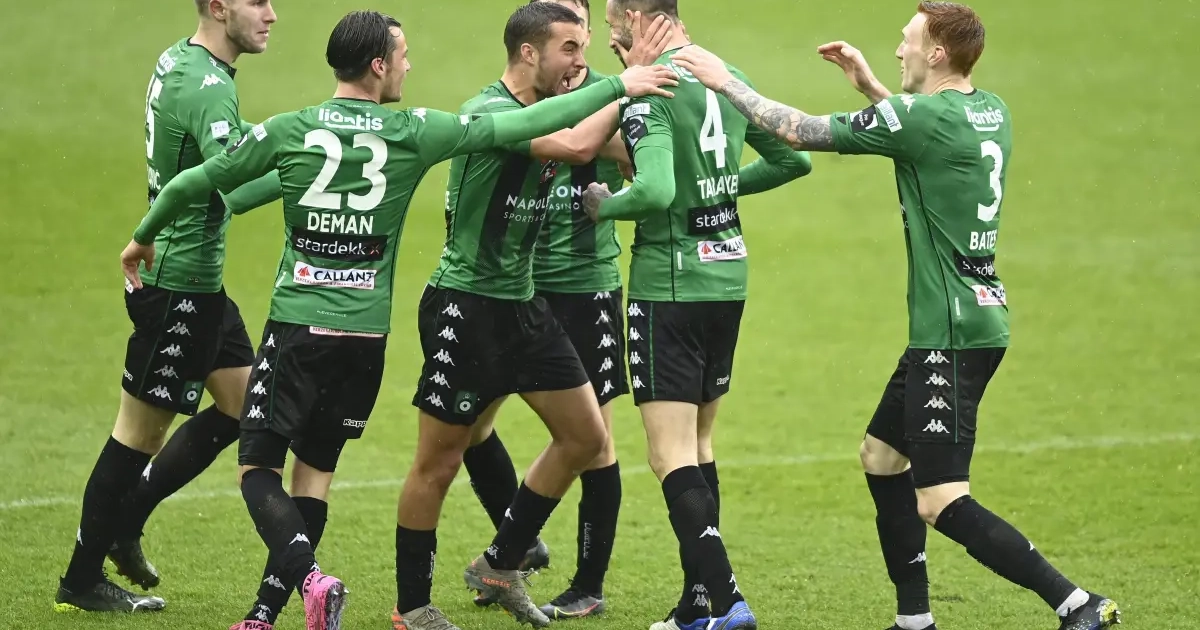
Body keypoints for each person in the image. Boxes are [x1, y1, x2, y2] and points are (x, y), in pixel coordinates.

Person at [120, 10, 677, 630]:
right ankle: (344, 608)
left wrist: (146, 234)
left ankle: (354, 578)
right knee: (373, 467)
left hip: (369, 319)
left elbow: (202, 182)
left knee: (261, 469)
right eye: (403, 56)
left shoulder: (294, 128)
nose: (411, 66)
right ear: (379, 65)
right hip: (416, 323)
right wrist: (623, 84)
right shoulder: (430, 127)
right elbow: (552, 135)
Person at [668, 3, 1122, 630]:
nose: (899, 49)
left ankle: (1077, 603)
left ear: (937, 52)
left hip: (952, 334)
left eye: (908, 40)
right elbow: (923, 135)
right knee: (881, 456)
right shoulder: (990, 111)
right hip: (971, 320)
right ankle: (915, 620)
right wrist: (873, 91)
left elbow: (797, 131)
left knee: (940, 499)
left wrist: (725, 82)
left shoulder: (921, 117)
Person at [392, 4, 676, 630]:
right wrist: (627, 82)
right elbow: (576, 144)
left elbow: (599, 142)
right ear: (528, 53)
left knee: (587, 438)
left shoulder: (549, 105)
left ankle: (500, 563)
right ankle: (412, 605)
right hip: (466, 306)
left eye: (583, 48)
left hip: (523, 305)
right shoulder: (488, 112)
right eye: (569, 48)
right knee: (439, 462)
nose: (580, 61)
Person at [580, 2, 814, 629]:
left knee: (669, 455)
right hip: (728, 278)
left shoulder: (651, 88)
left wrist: (606, 205)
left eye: (614, 23)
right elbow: (794, 159)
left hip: (671, 286)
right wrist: (720, 186)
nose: (610, 37)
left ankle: (728, 601)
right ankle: (698, 603)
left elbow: (655, 190)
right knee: (700, 444)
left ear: (637, 17)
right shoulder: (722, 74)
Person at [54, 0, 279, 613]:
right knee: (137, 435)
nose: (272, 14)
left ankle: (126, 523)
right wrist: (307, 162)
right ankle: (80, 580)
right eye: (257, 1)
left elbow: (221, 169)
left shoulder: (182, 61)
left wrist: (288, 153)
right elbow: (235, 185)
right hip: (177, 287)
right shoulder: (209, 88)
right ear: (219, 7)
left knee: (243, 406)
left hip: (201, 284)